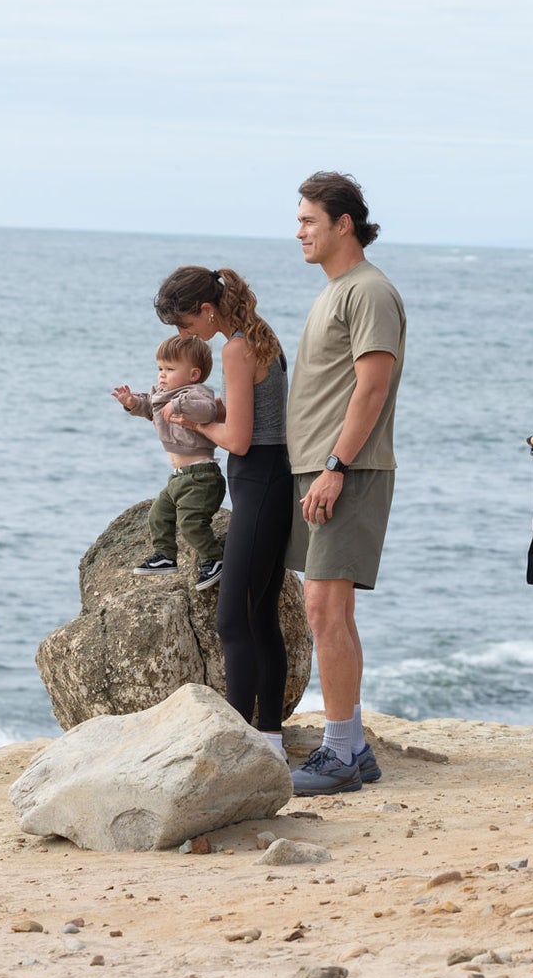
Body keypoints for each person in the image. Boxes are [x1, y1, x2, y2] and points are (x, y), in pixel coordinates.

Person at [287, 171, 406, 795]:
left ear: (344, 224)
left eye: (309, 220)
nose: (299, 231)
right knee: (334, 608)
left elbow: (373, 386)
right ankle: (352, 747)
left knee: (324, 607)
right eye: (299, 219)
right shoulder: (337, 290)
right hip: (322, 468)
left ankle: (337, 753)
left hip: (346, 469)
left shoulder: (369, 291)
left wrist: (335, 467)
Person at [153, 265, 293, 759]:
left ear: (207, 309)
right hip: (274, 477)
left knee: (234, 619)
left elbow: (237, 438)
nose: (184, 335)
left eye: (185, 325)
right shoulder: (259, 334)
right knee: (261, 618)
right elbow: (252, 416)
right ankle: (271, 740)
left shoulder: (236, 347)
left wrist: (191, 421)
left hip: (257, 480)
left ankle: (235, 744)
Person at [112, 335, 225, 583]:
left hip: (202, 476)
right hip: (179, 478)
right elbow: (149, 407)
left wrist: (179, 405)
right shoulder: (162, 395)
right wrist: (132, 403)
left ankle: (214, 558)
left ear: (194, 374)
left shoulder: (197, 393)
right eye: (160, 368)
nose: (162, 375)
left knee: (191, 523)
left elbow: (207, 410)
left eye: (170, 369)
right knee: (158, 515)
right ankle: (164, 556)